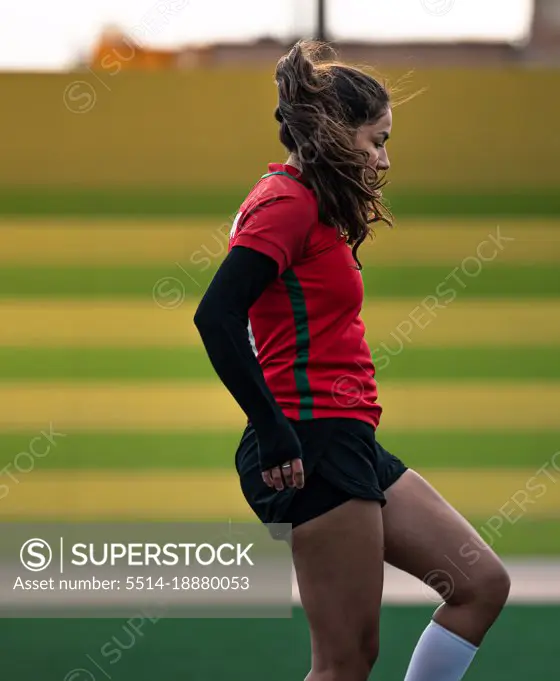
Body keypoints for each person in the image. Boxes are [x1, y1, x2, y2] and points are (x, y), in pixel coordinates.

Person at [193, 39, 510, 681]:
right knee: (344, 664)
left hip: (346, 435)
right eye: (377, 139)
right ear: (338, 135)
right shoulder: (287, 203)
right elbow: (215, 315)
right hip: (310, 441)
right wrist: (275, 431)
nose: (384, 158)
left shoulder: (312, 204)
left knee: (480, 584)